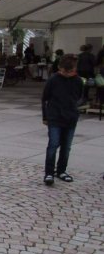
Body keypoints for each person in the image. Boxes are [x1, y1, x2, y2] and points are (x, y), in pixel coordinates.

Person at [42, 54, 82, 185]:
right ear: (60, 68)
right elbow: (45, 98)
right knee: (53, 145)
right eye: (65, 71)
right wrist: (45, 116)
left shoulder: (78, 81)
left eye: (70, 71)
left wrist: (74, 110)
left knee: (66, 147)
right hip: (55, 117)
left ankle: (61, 170)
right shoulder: (54, 79)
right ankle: (49, 173)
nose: (67, 73)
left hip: (70, 117)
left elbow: (79, 97)